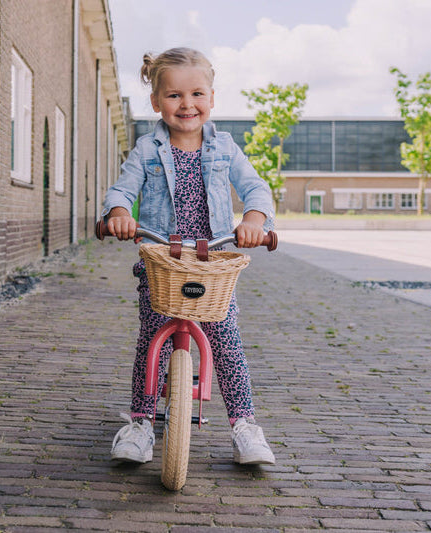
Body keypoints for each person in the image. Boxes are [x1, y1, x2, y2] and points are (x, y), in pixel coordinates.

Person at [102, 47, 276, 466]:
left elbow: (255, 188)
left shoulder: (225, 147)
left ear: (212, 99)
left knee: (227, 341)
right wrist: (120, 214)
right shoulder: (147, 149)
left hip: (213, 262)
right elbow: (123, 189)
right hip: (162, 260)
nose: (187, 105)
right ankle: (141, 422)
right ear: (156, 102)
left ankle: (244, 426)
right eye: (175, 96)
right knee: (152, 341)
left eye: (197, 94)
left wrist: (253, 219)